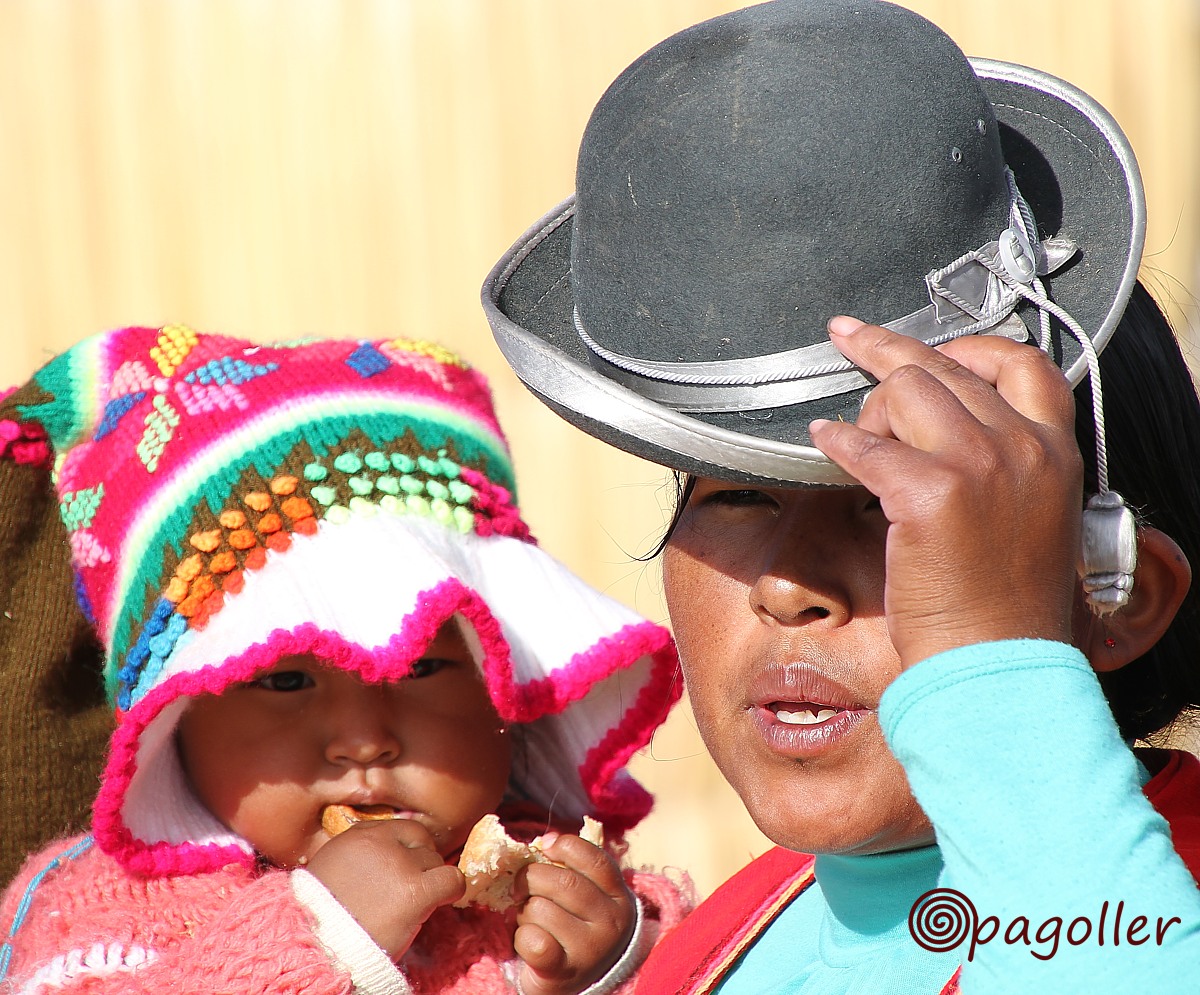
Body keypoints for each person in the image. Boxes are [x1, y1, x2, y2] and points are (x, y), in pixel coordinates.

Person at [481, 0, 1200, 991]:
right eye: (735, 496)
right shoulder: (732, 933)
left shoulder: (1140, 922)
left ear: (1118, 593)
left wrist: (996, 666)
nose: (789, 585)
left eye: (886, 507)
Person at [0, 326, 690, 994]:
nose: (364, 740)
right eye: (286, 678)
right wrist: (324, 939)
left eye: (423, 667)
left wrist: (619, 961)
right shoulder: (94, 914)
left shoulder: (539, 893)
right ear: (176, 715)